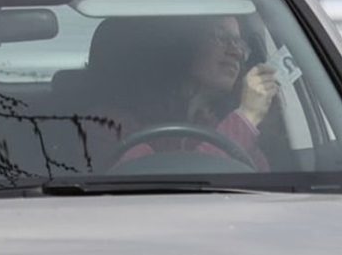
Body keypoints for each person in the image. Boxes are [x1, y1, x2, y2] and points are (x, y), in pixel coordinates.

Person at [88, 15, 278, 171]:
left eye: (239, 43)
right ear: (180, 45)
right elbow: (171, 190)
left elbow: (262, 185)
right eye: (220, 36)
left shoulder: (215, 124)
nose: (236, 52)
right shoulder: (109, 125)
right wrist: (246, 118)